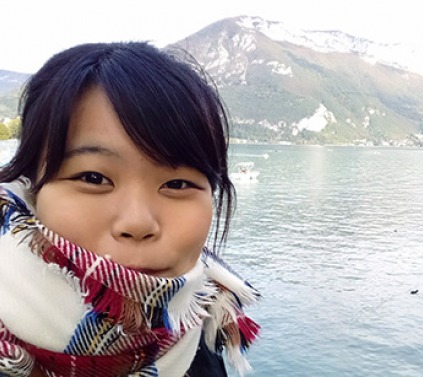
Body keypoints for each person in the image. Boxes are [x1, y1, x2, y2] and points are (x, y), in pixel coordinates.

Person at [0, 42, 260, 377]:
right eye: (93, 178)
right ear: (31, 188)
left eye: (177, 184)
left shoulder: (202, 325)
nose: (138, 223)